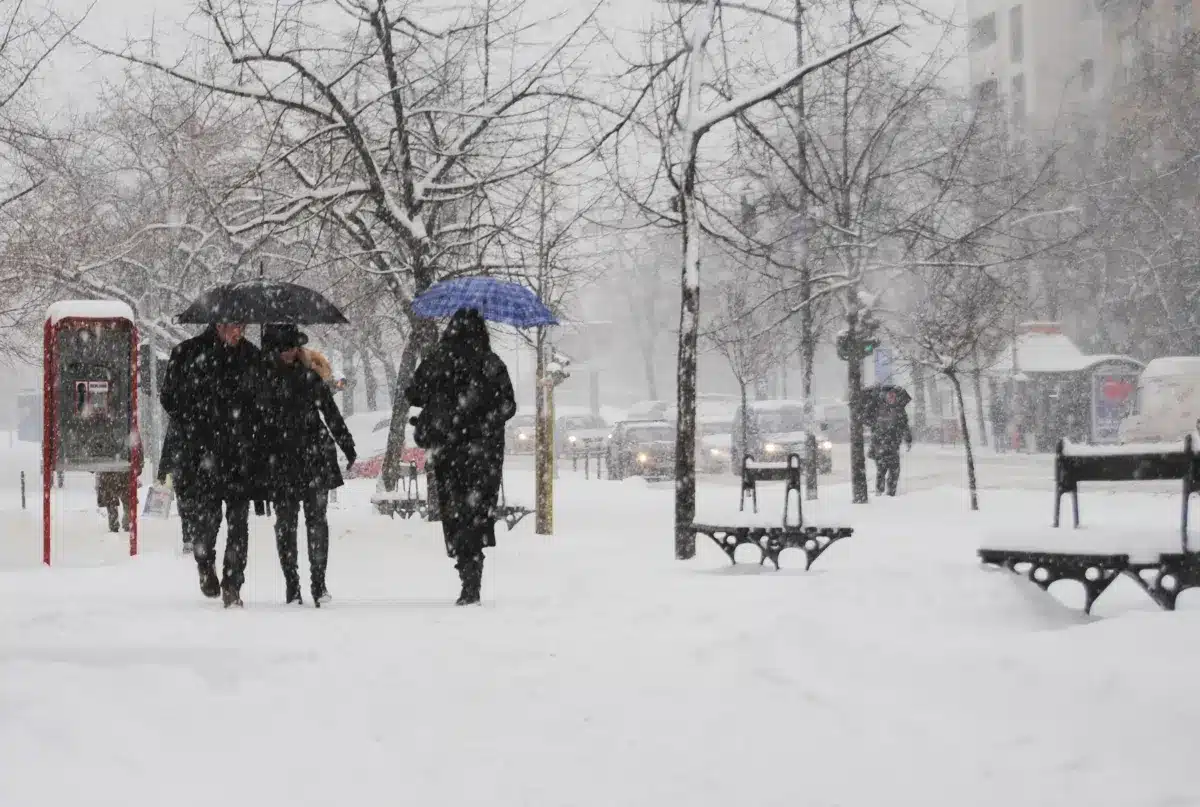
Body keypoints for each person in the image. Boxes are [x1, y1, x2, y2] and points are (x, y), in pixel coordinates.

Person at [406, 308, 516, 605]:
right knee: (477, 510)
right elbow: (508, 406)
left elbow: (413, 394)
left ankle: (466, 570)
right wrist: (483, 420)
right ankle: (473, 569)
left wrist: (442, 400)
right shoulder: (491, 363)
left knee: (455, 510)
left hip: (449, 449)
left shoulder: (438, 360)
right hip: (484, 452)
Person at [160, 323, 264, 608]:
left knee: (238, 522)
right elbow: (168, 397)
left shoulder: (251, 357)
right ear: (218, 323)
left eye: (243, 325)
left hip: (239, 455)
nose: (239, 331)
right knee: (207, 519)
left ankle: (232, 584)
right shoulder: (188, 353)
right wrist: (197, 417)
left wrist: (251, 426)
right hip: (203, 454)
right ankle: (205, 562)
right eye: (234, 325)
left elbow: (262, 402)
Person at [260, 325, 356, 607]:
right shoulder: (264, 381)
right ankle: (292, 585)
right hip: (283, 459)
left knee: (316, 522)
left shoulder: (309, 378)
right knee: (287, 524)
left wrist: (347, 445)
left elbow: (331, 413)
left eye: (292, 347)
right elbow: (255, 425)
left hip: (313, 457)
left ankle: (318, 583)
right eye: (283, 348)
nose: (288, 352)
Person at [95, 429, 143, 532]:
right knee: (124, 499)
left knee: (113, 500)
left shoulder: (103, 429)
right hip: (121, 471)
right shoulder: (128, 427)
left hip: (111, 471)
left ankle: (116, 525)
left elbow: (95, 450)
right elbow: (138, 448)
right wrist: (139, 466)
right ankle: (125, 523)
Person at [870, 393, 912, 497]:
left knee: (891, 470)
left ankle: (889, 492)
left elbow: (904, 426)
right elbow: (873, 427)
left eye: (893, 396)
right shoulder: (882, 410)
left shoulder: (898, 411)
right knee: (884, 470)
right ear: (886, 398)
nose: (892, 399)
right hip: (883, 445)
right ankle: (882, 491)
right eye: (890, 396)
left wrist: (908, 439)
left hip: (890, 445)